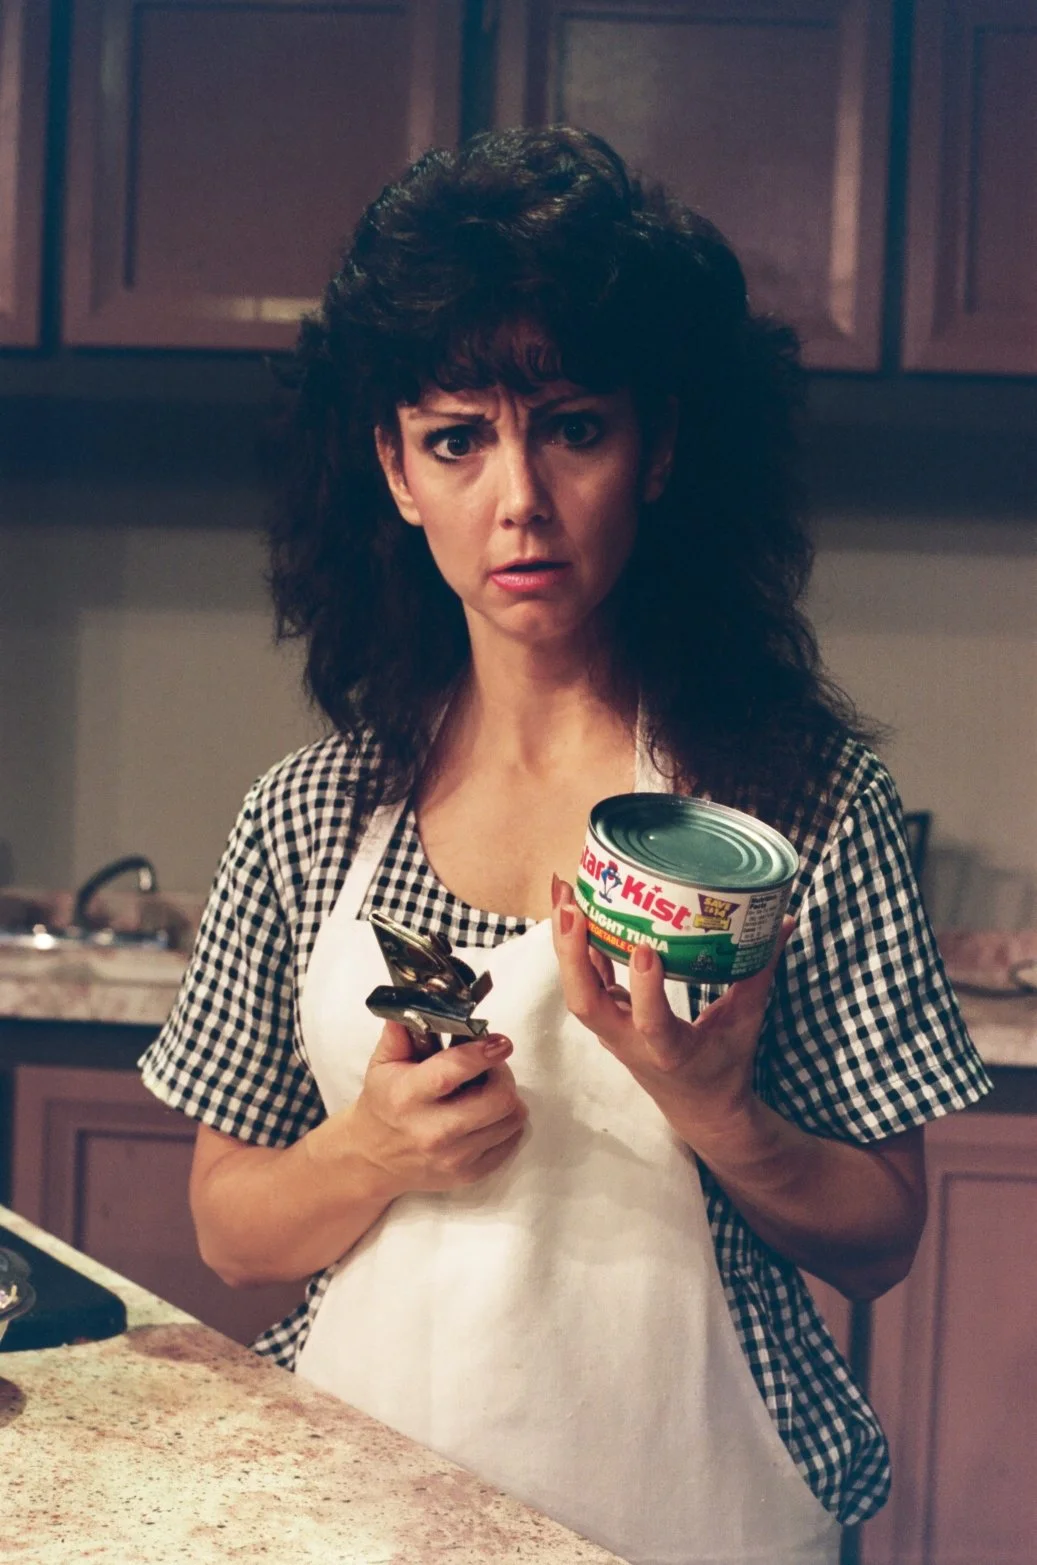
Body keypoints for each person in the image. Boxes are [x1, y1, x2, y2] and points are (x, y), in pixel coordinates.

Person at [140, 127, 990, 1565]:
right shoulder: (306, 816)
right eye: (458, 438)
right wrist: (370, 1154)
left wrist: (720, 1112)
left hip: (700, 1524)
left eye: (572, 427)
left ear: (656, 448)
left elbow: (882, 1236)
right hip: (356, 1513)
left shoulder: (794, 810)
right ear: (397, 474)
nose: (518, 497)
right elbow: (231, 1232)